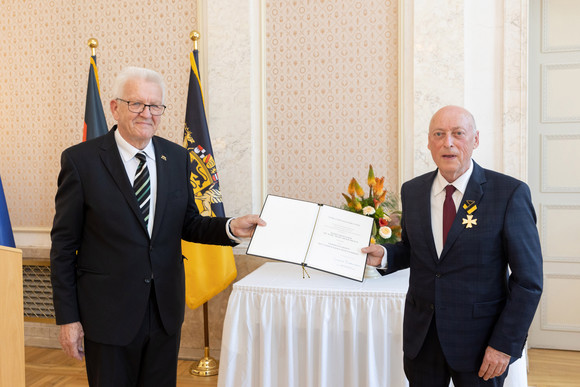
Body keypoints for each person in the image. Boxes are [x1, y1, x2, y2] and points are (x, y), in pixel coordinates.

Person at [50, 66, 265, 386]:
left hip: (164, 312)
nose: (147, 113)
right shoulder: (81, 162)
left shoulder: (177, 158)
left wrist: (231, 227)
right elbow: (64, 247)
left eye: (155, 106)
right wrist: (68, 318)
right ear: (115, 107)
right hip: (108, 315)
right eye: (137, 104)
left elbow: (188, 223)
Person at [363, 105, 543, 387]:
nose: (448, 142)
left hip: (481, 344)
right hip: (422, 339)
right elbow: (416, 250)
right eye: (439, 134)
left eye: (458, 133)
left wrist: (504, 344)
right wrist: (384, 255)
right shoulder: (413, 190)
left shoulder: (508, 193)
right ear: (429, 143)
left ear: (475, 140)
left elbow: (528, 281)